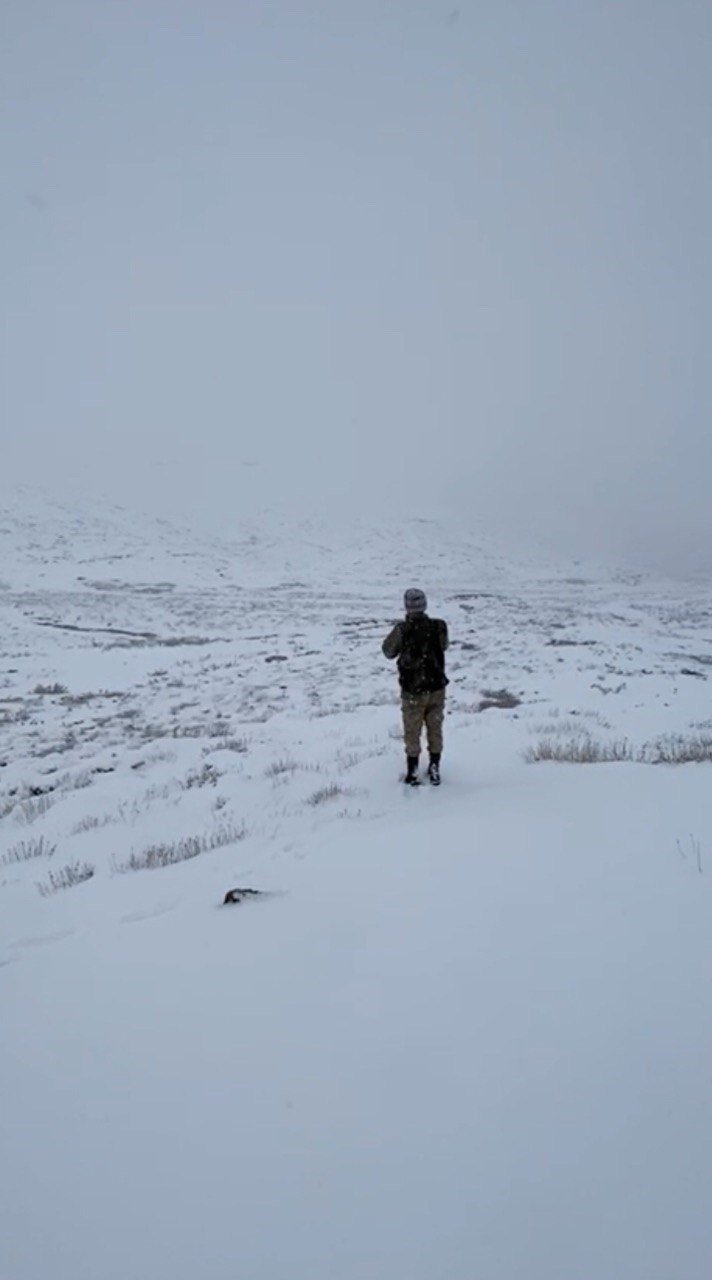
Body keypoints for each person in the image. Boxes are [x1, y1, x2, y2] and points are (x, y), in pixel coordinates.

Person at [382, 588, 449, 785]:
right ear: (424, 604)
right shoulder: (439, 626)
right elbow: (444, 646)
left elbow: (387, 651)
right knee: (435, 728)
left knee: (412, 730)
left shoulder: (402, 630)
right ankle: (434, 766)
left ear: (407, 606)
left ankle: (413, 770)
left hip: (413, 690)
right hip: (437, 687)